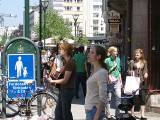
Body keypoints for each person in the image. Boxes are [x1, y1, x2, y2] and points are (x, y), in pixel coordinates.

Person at [46, 43, 77, 120]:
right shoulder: (67, 62)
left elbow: (65, 80)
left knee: (65, 113)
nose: (59, 50)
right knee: (59, 112)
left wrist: (54, 81)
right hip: (64, 89)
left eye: (61, 49)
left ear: (66, 51)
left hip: (67, 90)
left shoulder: (70, 62)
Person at [85, 46, 108, 120]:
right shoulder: (94, 71)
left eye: (92, 53)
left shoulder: (101, 73)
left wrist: (96, 116)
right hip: (90, 109)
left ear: (98, 56)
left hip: (94, 110)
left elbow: (103, 96)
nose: (88, 54)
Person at [127, 49, 148, 120]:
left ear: (141, 55)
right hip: (133, 81)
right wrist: (130, 72)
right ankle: (132, 114)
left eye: (137, 55)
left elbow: (145, 70)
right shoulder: (132, 62)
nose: (136, 56)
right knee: (132, 98)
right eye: (135, 55)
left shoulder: (144, 62)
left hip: (141, 82)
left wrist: (146, 74)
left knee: (142, 98)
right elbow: (128, 71)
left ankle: (142, 115)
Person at [105, 46, 122, 120]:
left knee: (119, 97)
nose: (116, 52)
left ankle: (117, 114)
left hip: (117, 80)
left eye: (117, 51)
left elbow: (119, 71)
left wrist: (121, 81)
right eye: (115, 51)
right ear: (111, 52)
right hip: (110, 80)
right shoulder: (107, 60)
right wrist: (113, 67)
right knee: (108, 98)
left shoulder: (118, 59)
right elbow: (106, 71)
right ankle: (108, 114)